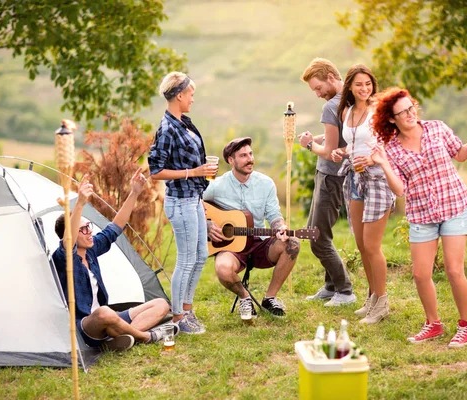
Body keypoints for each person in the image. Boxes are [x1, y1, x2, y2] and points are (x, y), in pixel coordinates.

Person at [369, 87, 467, 347]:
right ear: (391, 119)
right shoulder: (391, 149)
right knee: (420, 274)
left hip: (453, 205)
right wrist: (383, 163)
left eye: (411, 108)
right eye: (402, 112)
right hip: (421, 213)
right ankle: (433, 324)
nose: (410, 114)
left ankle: (465, 326)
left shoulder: (437, 128)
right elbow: (400, 189)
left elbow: (460, 155)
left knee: (453, 269)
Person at [52, 171, 175, 352]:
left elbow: (115, 227)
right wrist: (79, 204)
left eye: (89, 227)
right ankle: (146, 336)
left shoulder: (91, 251)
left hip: (109, 318)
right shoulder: (63, 259)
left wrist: (134, 193)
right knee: (104, 313)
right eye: (83, 229)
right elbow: (67, 243)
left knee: (161, 304)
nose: (89, 232)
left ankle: (119, 338)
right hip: (85, 327)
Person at [148, 71, 217, 334]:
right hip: (180, 201)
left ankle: (187, 310)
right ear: (179, 95)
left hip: (194, 198)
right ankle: (177, 318)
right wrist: (194, 172)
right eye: (190, 94)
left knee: (200, 256)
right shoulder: (166, 128)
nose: (193, 99)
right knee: (186, 259)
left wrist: (202, 171)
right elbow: (156, 171)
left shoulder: (184, 123)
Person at [203, 137, 300, 318]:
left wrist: (280, 227)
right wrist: (207, 224)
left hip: (260, 243)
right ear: (231, 160)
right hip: (231, 248)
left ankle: (270, 298)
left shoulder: (266, 183)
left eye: (250, 154)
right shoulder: (217, 186)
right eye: (243, 156)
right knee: (222, 269)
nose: (250, 159)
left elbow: (273, 215)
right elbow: (194, 204)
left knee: (292, 243)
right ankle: (245, 298)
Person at [330, 64, 395, 324]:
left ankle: (383, 302)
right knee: (360, 244)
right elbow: (354, 143)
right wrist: (341, 152)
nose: (364, 88)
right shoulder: (346, 111)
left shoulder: (378, 110)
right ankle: (372, 296)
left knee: (372, 245)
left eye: (368, 84)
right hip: (354, 178)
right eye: (359, 84)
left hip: (378, 179)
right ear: (350, 86)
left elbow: (390, 143)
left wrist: (371, 159)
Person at [298, 57, 356, 307]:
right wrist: (321, 136)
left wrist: (309, 144)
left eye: (318, 87)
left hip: (331, 176)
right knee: (318, 230)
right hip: (339, 175)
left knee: (317, 237)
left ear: (331, 78)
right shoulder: (351, 99)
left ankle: (344, 290)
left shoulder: (330, 106)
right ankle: (331, 286)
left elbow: (330, 149)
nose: (317, 94)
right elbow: (343, 137)